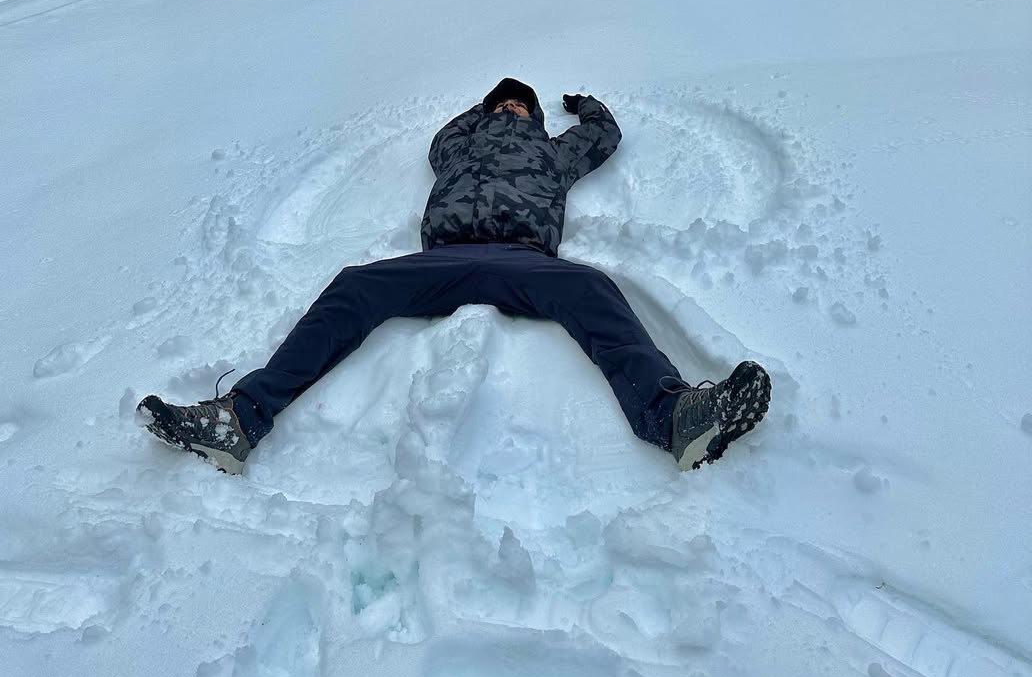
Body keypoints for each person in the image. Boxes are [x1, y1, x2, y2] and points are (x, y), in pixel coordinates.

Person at [138, 78, 770, 475]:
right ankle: (239, 419)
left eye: (522, 104)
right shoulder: (458, 149)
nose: (515, 108)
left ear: (538, 119)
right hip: (439, 261)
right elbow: (443, 138)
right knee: (355, 285)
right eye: (505, 102)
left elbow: (603, 138)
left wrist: (584, 106)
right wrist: (482, 109)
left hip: (526, 261)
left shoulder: (553, 151)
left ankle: (675, 415)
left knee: (595, 290)